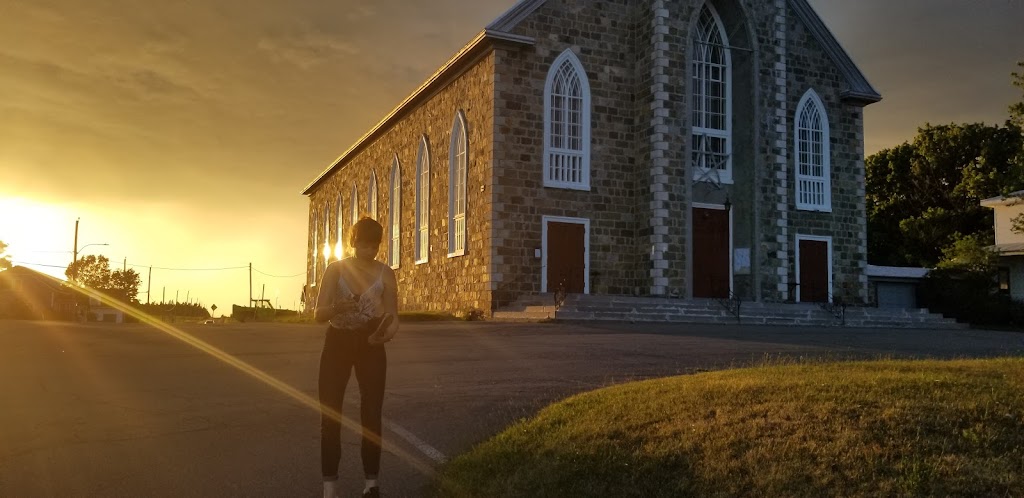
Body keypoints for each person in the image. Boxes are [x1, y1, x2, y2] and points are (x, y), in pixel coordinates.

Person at [314, 217, 399, 498]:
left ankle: (371, 484)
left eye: (374, 247)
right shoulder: (335, 270)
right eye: (363, 246)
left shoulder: (386, 273)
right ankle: (330, 487)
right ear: (353, 243)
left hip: (371, 342)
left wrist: (383, 336)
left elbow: (392, 317)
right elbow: (318, 315)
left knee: (372, 414)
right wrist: (338, 307)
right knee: (331, 415)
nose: (369, 252)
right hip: (337, 341)